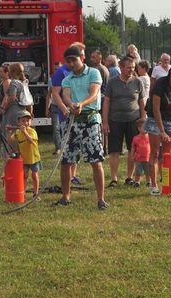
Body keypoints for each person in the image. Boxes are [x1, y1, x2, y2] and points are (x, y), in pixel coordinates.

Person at [55, 46, 107, 210]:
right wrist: (71, 105)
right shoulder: (67, 79)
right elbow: (66, 96)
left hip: (91, 121)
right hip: (72, 122)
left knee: (96, 161)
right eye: (68, 61)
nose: (71, 64)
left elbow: (94, 93)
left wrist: (81, 104)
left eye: (73, 60)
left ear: (82, 58)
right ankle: (65, 197)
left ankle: (101, 199)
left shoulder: (94, 73)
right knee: (66, 161)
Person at [144, 61, 171, 196]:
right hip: (154, 120)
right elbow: (156, 109)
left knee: (168, 156)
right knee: (155, 153)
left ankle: (169, 185)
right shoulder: (161, 84)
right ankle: (154, 185)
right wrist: (161, 131)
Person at [102, 56, 146, 188]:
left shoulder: (138, 82)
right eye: (128, 68)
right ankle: (114, 178)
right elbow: (107, 101)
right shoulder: (112, 82)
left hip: (133, 120)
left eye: (133, 68)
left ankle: (129, 177)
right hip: (115, 120)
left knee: (132, 150)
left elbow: (142, 102)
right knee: (114, 150)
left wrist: (143, 120)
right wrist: (105, 121)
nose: (131, 70)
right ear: (121, 67)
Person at [51, 41, 84, 185]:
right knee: (68, 146)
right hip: (67, 117)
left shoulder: (85, 71)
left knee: (77, 147)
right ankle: (67, 177)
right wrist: (64, 109)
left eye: (83, 54)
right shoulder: (61, 72)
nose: (83, 57)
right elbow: (55, 93)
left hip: (81, 115)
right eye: (80, 54)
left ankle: (73, 175)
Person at [9, 110, 41, 198]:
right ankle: (22, 192)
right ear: (18, 122)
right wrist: (8, 131)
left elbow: (31, 141)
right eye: (23, 121)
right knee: (24, 176)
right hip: (24, 158)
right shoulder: (17, 132)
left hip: (33, 158)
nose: (26, 123)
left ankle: (36, 193)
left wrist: (25, 132)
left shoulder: (32, 131)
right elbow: (10, 140)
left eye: (27, 121)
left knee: (34, 175)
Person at [0, 63, 30, 149]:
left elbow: (11, 98)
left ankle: (11, 156)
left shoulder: (14, 83)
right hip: (22, 110)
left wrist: (4, 108)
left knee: (10, 132)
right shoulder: (23, 83)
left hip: (13, 111)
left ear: (11, 72)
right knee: (19, 134)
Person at [45, 61, 63, 155]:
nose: (57, 71)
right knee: (56, 128)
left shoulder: (66, 77)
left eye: (58, 69)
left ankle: (66, 146)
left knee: (64, 127)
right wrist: (47, 108)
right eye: (55, 69)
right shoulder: (51, 79)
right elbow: (49, 95)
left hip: (64, 106)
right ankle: (58, 147)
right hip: (55, 106)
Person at [131, 119, 151, 188]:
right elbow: (133, 147)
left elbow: (152, 146)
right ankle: (137, 182)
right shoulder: (136, 138)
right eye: (144, 127)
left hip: (147, 158)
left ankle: (148, 182)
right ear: (139, 128)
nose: (146, 129)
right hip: (138, 158)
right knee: (138, 171)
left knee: (148, 171)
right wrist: (132, 155)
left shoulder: (150, 137)